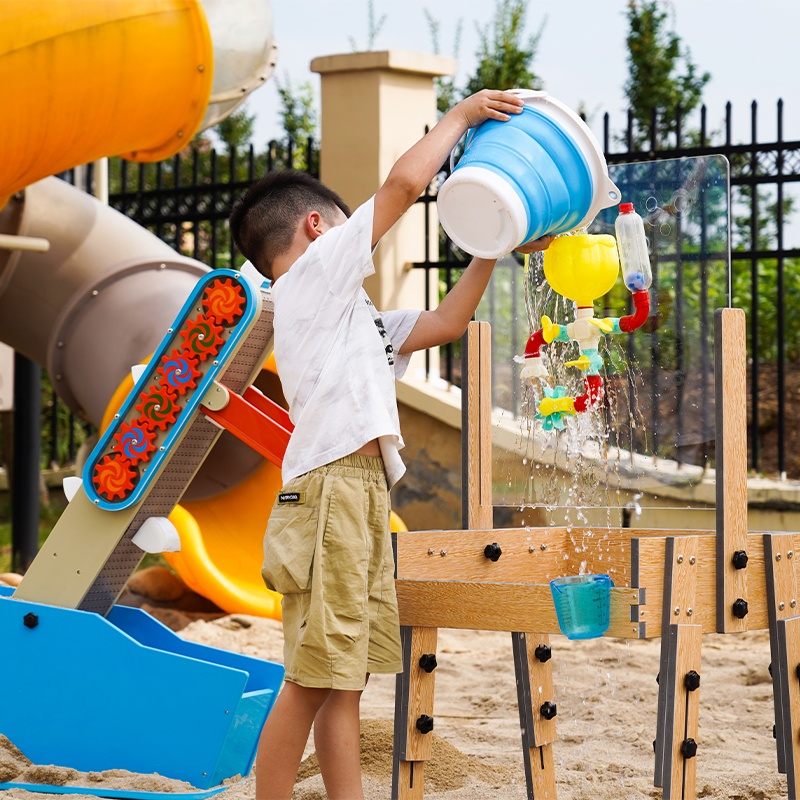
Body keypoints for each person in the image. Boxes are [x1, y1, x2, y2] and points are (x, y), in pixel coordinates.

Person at [228, 89, 552, 800]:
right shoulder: (310, 279)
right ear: (318, 229)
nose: (362, 240)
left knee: (345, 679)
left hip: (362, 493)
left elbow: (444, 321)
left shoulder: (353, 316)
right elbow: (406, 186)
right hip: (331, 491)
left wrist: (493, 249)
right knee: (315, 675)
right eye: (351, 228)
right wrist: (462, 116)